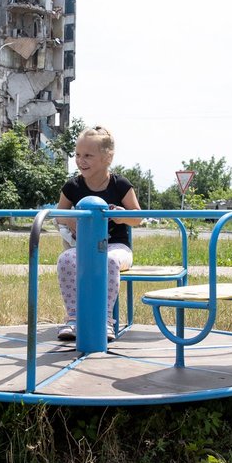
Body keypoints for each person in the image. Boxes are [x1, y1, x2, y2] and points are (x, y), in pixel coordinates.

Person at [55, 126, 141, 342]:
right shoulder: (73, 186)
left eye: (88, 156)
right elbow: (58, 215)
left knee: (109, 261)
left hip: (117, 247)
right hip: (83, 247)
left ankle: (104, 320)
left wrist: (123, 216)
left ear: (107, 158)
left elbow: (137, 218)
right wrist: (71, 219)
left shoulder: (120, 185)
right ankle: (74, 318)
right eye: (77, 155)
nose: (80, 160)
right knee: (65, 259)